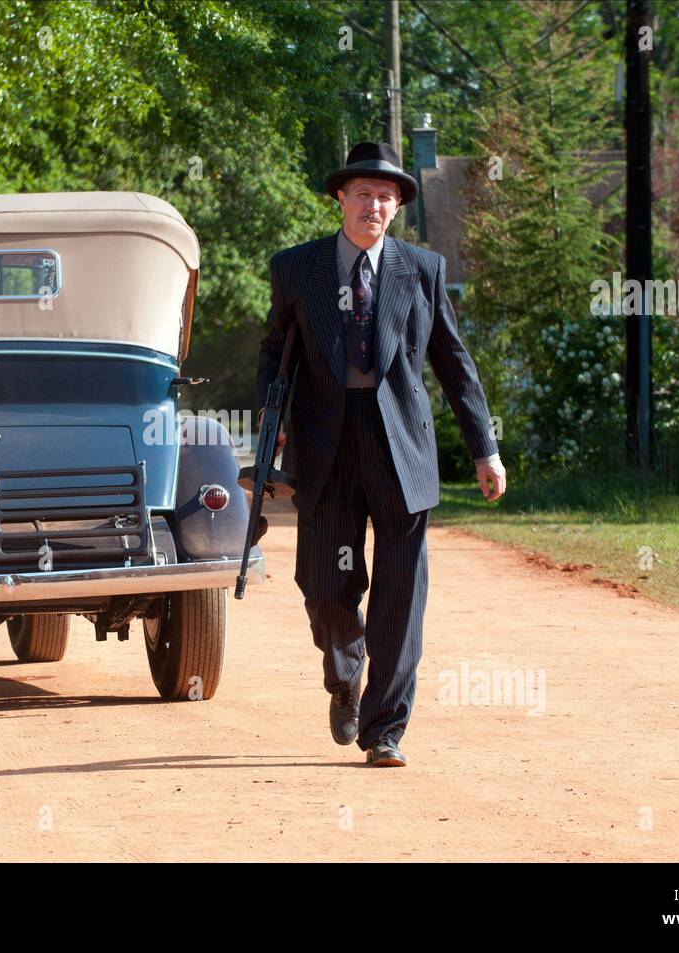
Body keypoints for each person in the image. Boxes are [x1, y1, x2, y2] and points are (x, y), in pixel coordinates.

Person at [255, 141, 506, 766]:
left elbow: (453, 361)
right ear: (341, 198)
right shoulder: (296, 268)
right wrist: (272, 422)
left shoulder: (421, 269)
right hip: (325, 443)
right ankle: (345, 672)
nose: (374, 205)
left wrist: (485, 450)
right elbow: (272, 353)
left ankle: (385, 730)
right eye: (363, 193)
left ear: (397, 207)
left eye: (386, 197)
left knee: (401, 593)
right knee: (326, 585)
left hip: (402, 448)